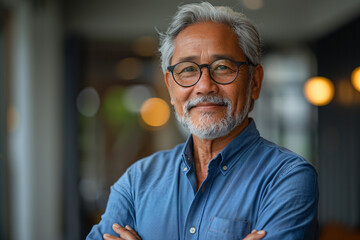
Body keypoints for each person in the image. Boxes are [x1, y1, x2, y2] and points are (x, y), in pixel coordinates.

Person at [86, 2, 318, 240]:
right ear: (170, 87)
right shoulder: (138, 181)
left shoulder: (286, 178)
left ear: (255, 82)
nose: (204, 86)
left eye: (223, 67)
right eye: (187, 69)